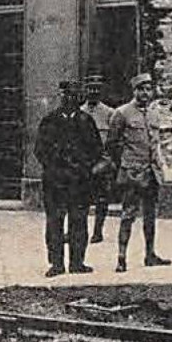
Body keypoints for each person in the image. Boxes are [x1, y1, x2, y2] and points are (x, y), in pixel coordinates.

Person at [33, 80, 103, 277]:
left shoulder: (85, 121)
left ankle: (77, 262)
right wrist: (56, 167)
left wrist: (83, 167)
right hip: (55, 182)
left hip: (79, 182)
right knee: (55, 222)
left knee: (79, 222)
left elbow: (96, 149)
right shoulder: (50, 120)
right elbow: (40, 150)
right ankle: (56, 264)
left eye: (73, 96)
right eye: (66, 96)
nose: (69, 99)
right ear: (61, 97)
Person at [107, 73, 172, 272]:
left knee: (151, 215)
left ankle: (150, 254)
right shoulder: (122, 113)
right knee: (128, 215)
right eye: (141, 89)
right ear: (134, 91)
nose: (145, 93)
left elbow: (155, 143)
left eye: (148, 89)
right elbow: (112, 144)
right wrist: (126, 164)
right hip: (133, 173)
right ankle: (121, 257)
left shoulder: (153, 114)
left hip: (151, 173)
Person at [80, 75, 117, 244]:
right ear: (85, 90)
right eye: (90, 88)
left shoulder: (110, 113)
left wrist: (110, 160)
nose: (93, 92)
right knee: (81, 199)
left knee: (102, 199)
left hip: (102, 161)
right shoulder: (79, 113)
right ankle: (81, 230)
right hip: (83, 162)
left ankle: (98, 231)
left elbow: (115, 139)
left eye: (96, 89)